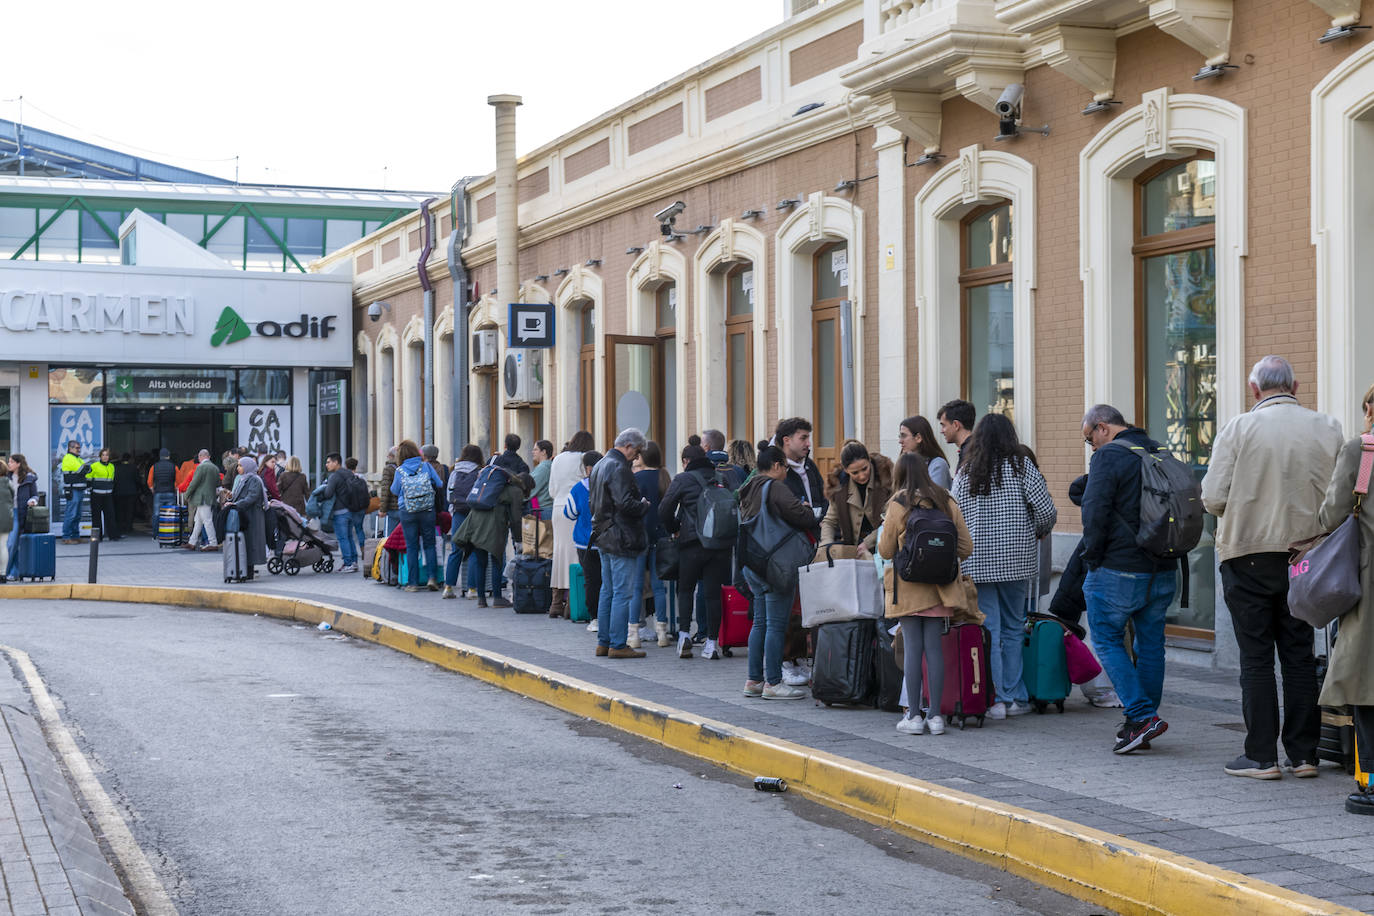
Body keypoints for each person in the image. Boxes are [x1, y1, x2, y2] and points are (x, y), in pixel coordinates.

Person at [1202, 356, 1344, 779]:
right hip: (1307, 556)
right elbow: (1340, 493)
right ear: (1296, 385)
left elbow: (1211, 496)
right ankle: (1304, 755)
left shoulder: (1238, 428)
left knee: (1256, 658)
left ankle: (1261, 756)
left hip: (1247, 553)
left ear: (1254, 389)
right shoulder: (1328, 427)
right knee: (1300, 654)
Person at [1080, 404, 1177, 754]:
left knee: (1106, 639)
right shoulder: (1158, 450)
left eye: (1091, 439)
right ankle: (1143, 722)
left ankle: (1141, 716)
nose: (1092, 447)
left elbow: (1095, 512)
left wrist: (1091, 559)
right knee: (1151, 644)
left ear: (1103, 428)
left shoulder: (1109, 457)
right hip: (1164, 568)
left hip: (1118, 569)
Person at [952, 413, 1057, 720]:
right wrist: (1036, 529)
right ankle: (1016, 696)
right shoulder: (1022, 467)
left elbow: (954, 515)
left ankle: (995, 698)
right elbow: (1047, 511)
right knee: (1014, 627)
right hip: (1017, 559)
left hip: (976, 562)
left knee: (989, 630)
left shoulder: (966, 471)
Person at [880, 452, 973, 734]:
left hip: (907, 589)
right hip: (940, 589)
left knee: (912, 651)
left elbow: (885, 550)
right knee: (934, 651)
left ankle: (914, 717)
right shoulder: (946, 500)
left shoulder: (898, 503)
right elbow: (966, 548)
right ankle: (936, 717)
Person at [1318, 382, 1374, 812]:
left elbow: (1333, 513)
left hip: (1370, 587)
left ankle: (1371, 784)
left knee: (1367, 682)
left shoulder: (1364, 450)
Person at [739, 446, 820, 699]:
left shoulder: (747, 487)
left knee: (760, 623)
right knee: (776, 624)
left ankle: (754, 680)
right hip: (775, 565)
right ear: (775, 466)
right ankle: (773, 683)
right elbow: (800, 515)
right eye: (784, 466)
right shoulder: (774, 487)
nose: (785, 470)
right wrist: (806, 509)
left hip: (753, 563)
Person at [660, 444, 732, 659]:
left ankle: (684, 637)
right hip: (719, 544)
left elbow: (664, 509)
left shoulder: (683, 479)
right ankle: (712, 643)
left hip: (691, 543)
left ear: (685, 461)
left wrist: (674, 529)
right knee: (712, 594)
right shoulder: (721, 477)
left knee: (685, 589)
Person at [589, 428, 651, 658]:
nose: (637, 457)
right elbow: (626, 503)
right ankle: (617, 644)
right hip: (620, 537)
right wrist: (643, 505)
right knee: (622, 593)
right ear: (627, 446)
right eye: (636, 452)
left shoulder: (600, 464)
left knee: (607, 591)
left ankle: (603, 642)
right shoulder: (619, 468)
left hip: (603, 534)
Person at [452, 460, 528, 608]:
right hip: (495, 526)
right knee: (497, 561)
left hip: (475, 524)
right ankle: (498, 598)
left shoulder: (489, 486)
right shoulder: (515, 491)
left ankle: (481, 599)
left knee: (481, 562)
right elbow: (516, 519)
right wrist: (519, 540)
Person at [631, 441, 672, 647]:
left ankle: (634, 635)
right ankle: (662, 632)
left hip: (639, 538)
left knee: (637, 587)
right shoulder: (665, 478)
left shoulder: (637, 478)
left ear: (644, 457)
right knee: (659, 587)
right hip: (661, 538)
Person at [820, 441, 892, 559]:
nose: (862, 476)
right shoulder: (838, 487)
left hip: (884, 548)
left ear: (869, 461)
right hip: (852, 550)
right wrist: (826, 546)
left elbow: (890, 520)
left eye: (865, 469)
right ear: (845, 470)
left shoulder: (886, 481)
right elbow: (829, 521)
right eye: (855, 473)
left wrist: (868, 542)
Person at [389, 440, 444, 592]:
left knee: (412, 546)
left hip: (407, 511)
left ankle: (412, 584)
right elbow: (439, 483)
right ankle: (432, 578)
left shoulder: (399, 471)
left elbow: (394, 490)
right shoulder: (425, 466)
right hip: (427, 509)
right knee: (429, 544)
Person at [548, 432, 594, 616]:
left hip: (557, 508)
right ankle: (571, 605)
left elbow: (551, 489)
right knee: (576, 555)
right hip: (575, 508)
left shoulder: (558, 459)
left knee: (559, 554)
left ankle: (556, 603)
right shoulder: (584, 459)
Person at [563, 450, 602, 626]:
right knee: (607, 581)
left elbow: (569, 513)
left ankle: (594, 617)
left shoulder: (579, 488)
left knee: (590, 580)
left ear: (587, 468)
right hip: (606, 541)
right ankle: (609, 615)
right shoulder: (608, 483)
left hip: (584, 542)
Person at [443, 445, 484, 599]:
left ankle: (448, 587)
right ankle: (472, 590)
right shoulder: (480, 472)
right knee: (473, 550)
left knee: (455, 550)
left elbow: (449, 496)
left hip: (458, 513)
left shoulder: (455, 471)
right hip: (475, 514)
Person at [316, 453, 362, 573]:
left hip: (340, 511)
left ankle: (348, 563)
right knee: (350, 537)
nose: (326, 465)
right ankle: (354, 562)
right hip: (351, 510)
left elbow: (328, 494)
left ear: (336, 462)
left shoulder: (335, 476)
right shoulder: (348, 473)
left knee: (342, 538)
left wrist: (324, 487)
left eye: (328, 462)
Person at [225, 455, 268, 579]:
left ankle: (249, 571)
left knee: (251, 542)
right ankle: (245, 570)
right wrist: (230, 498)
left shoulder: (254, 480)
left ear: (247, 466)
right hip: (245, 515)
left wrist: (235, 504)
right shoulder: (243, 479)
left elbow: (251, 497)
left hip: (253, 516)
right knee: (246, 542)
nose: (238, 468)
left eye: (240, 465)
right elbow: (239, 496)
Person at [898, 415, 952, 488]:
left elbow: (935, 497)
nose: (900, 441)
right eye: (900, 436)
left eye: (904, 436)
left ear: (918, 438)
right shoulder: (905, 464)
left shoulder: (937, 465)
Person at [184, 449, 220, 552]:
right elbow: (218, 483)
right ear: (208, 456)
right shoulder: (215, 468)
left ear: (200, 457)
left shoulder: (201, 467)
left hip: (202, 498)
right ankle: (192, 542)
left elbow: (194, 483)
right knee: (198, 520)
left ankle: (213, 543)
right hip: (210, 497)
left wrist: (187, 494)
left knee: (207, 521)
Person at [58, 439, 90, 544]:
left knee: (77, 515)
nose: (79, 450)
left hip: (79, 489)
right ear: (70, 448)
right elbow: (82, 469)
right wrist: (85, 468)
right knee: (71, 514)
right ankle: (66, 537)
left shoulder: (77, 458)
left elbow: (88, 470)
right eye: (77, 448)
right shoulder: (68, 458)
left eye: (79, 448)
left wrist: (85, 468)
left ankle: (75, 536)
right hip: (72, 490)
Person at [86, 448, 117, 540]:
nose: (105, 457)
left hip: (108, 494)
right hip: (96, 494)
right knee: (96, 516)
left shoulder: (112, 466)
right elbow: (88, 478)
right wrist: (91, 488)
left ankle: (113, 536)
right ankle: (97, 537)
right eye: (103, 455)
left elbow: (112, 479)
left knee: (110, 515)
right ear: (100, 456)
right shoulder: (94, 466)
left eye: (107, 455)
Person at [937, 399, 976, 470]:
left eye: (944, 425)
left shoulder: (971, 453)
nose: (941, 431)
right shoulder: (973, 449)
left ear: (956, 425)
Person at [147, 448, 178, 537]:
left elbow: (149, 481)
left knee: (156, 514)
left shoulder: (154, 467)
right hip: (170, 492)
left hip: (158, 493)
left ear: (160, 456)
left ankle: (156, 534)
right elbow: (178, 481)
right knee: (170, 514)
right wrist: (175, 489)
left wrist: (153, 489)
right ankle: (169, 533)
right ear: (168, 456)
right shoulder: (174, 467)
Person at [344, 457, 368, 562]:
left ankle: (352, 554)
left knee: (349, 533)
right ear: (356, 466)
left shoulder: (346, 478)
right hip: (361, 508)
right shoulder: (362, 478)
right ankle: (363, 550)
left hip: (351, 508)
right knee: (359, 529)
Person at [113, 454, 139, 536]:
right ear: (130, 459)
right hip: (131, 492)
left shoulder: (117, 468)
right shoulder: (133, 468)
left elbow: (115, 480)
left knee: (120, 510)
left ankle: (120, 527)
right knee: (130, 510)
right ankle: (128, 527)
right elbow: (137, 480)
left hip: (119, 492)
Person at [529, 440, 554, 520]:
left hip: (543, 510)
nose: (532, 452)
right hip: (548, 509)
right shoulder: (550, 465)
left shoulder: (543, 468)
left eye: (535, 449)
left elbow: (531, 489)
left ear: (543, 452)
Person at [378, 447, 399, 535]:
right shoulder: (404, 467)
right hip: (406, 507)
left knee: (391, 536)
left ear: (391, 456)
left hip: (393, 508)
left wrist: (382, 509)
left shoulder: (388, 469)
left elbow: (385, 490)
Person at [0, 463, 12, 581]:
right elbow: (13, 496)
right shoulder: (8, 482)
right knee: (3, 546)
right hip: (6, 517)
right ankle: (3, 574)